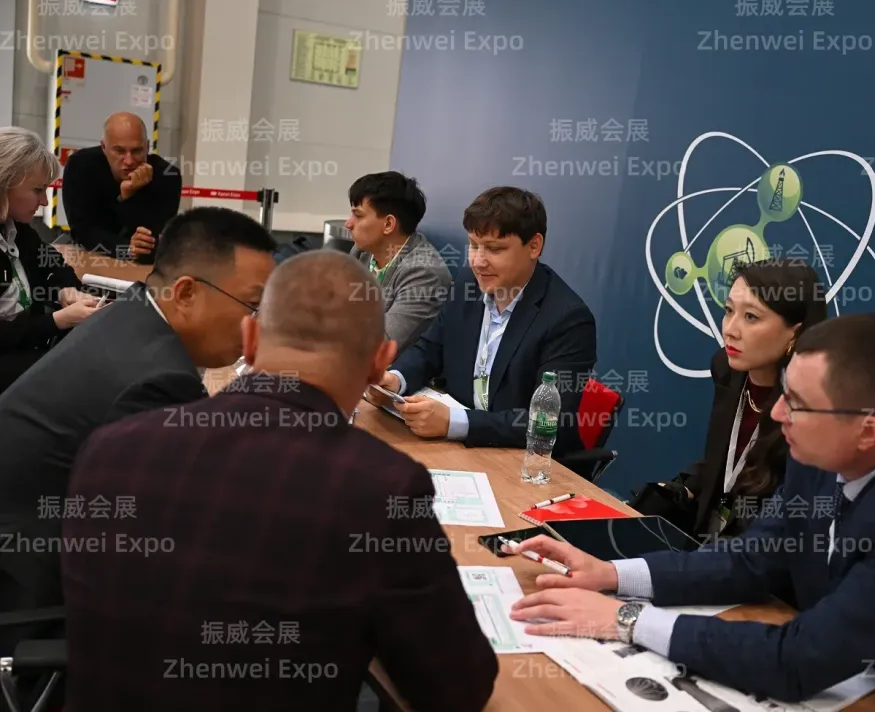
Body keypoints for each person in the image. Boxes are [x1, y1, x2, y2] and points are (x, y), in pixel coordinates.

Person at [503, 314, 875, 711]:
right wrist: (613, 575)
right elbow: (756, 558)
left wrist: (625, 620)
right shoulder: (824, 450)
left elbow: (798, 661)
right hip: (868, 681)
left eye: (797, 404)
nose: (777, 414)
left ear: (868, 431)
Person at [61, 250, 498, 712]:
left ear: (249, 340)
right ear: (379, 362)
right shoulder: (381, 488)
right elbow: (457, 688)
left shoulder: (108, 449)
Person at [0, 206, 277, 649]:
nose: (258, 325)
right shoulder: (158, 378)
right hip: (31, 596)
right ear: (185, 293)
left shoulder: (130, 313)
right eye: (252, 305)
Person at [367, 186, 596, 458]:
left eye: (494, 249)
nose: (478, 261)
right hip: (460, 450)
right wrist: (395, 380)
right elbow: (430, 348)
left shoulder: (567, 319)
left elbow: (547, 422)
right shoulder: (469, 283)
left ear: (534, 246)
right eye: (474, 245)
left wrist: (455, 422)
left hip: (526, 461)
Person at [631, 258, 827, 540]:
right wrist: (684, 488)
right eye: (729, 311)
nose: (730, 330)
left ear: (794, 334)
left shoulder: (812, 411)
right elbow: (725, 459)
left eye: (751, 317)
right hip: (709, 540)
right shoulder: (727, 369)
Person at [0, 127, 102, 393]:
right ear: (4, 182)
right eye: (37, 190)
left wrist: (66, 290)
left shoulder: (18, 229)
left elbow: (52, 262)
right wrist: (58, 320)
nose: (44, 201)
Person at [346, 171, 452, 352]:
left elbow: (378, 344)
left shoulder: (425, 273)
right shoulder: (361, 252)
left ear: (388, 224)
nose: (348, 223)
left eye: (358, 216)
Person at [61, 112, 182, 263]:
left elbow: (153, 242)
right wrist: (126, 249)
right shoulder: (81, 166)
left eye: (137, 151)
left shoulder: (167, 176)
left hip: (141, 265)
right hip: (91, 258)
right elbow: (82, 231)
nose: (129, 161)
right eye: (119, 151)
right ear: (103, 147)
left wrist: (130, 198)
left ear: (147, 147)